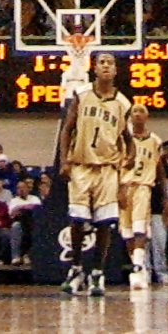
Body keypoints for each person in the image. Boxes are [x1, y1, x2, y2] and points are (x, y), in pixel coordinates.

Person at [58, 49, 132, 297]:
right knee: (77, 220)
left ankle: (97, 273)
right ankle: (76, 267)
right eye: (102, 62)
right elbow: (67, 129)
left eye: (110, 62)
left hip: (107, 169)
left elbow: (128, 139)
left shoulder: (123, 104)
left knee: (105, 224)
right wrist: (64, 160)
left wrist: (129, 157)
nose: (106, 66)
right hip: (80, 164)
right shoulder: (81, 95)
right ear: (94, 68)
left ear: (115, 69)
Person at [118, 103, 168, 291]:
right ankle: (139, 267)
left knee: (140, 228)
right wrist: (118, 188)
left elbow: (159, 168)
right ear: (130, 117)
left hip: (143, 187)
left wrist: (165, 197)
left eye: (141, 111)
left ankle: (138, 268)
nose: (137, 115)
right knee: (128, 233)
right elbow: (115, 166)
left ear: (147, 117)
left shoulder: (155, 140)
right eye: (134, 112)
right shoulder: (122, 140)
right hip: (124, 186)